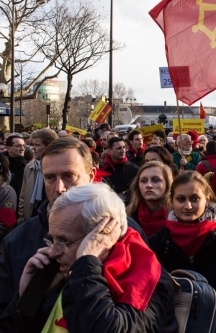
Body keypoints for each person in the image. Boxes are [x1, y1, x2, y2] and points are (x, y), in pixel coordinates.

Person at [0, 138, 147, 331]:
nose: (59, 188)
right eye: (50, 177)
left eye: (69, 176)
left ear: (91, 175)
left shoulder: (126, 233)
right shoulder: (17, 239)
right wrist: (26, 299)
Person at [16, 183, 178, 332]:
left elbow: (109, 328)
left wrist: (86, 263)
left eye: (64, 241)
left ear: (101, 236)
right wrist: (30, 296)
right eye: (53, 240)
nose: (52, 252)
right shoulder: (70, 270)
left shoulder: (149, 278)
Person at [149, 171, 216, 333]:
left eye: (195, 199)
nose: (188, 206)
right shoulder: (155, 244)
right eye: (181, 199)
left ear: (207, 199)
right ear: (171, 201)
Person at [18, 128, 57, 223]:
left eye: (37, 145)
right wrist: (21, 219)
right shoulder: (29, 167)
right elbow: (23, 196)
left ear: (49, 146)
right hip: (30, 218)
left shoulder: (58, 168)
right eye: (32, 145)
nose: (33, 148)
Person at [126, 161, 173, 237]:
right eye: (143, 181)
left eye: (155, 180)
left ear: (167, 184)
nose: (149, 185)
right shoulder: (128, 216)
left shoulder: (178, 216)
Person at [101, 136, 140, 202]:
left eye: (124, 147)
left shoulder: (134, 169)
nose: (123, 150)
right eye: (119, 148)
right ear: (110, 151)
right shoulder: (104, 170)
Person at [4, 135, 26, 199]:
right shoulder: (1, 164)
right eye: (18, 146)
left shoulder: (27, 166)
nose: (22, 149)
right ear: (8, 148)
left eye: (23, 146)